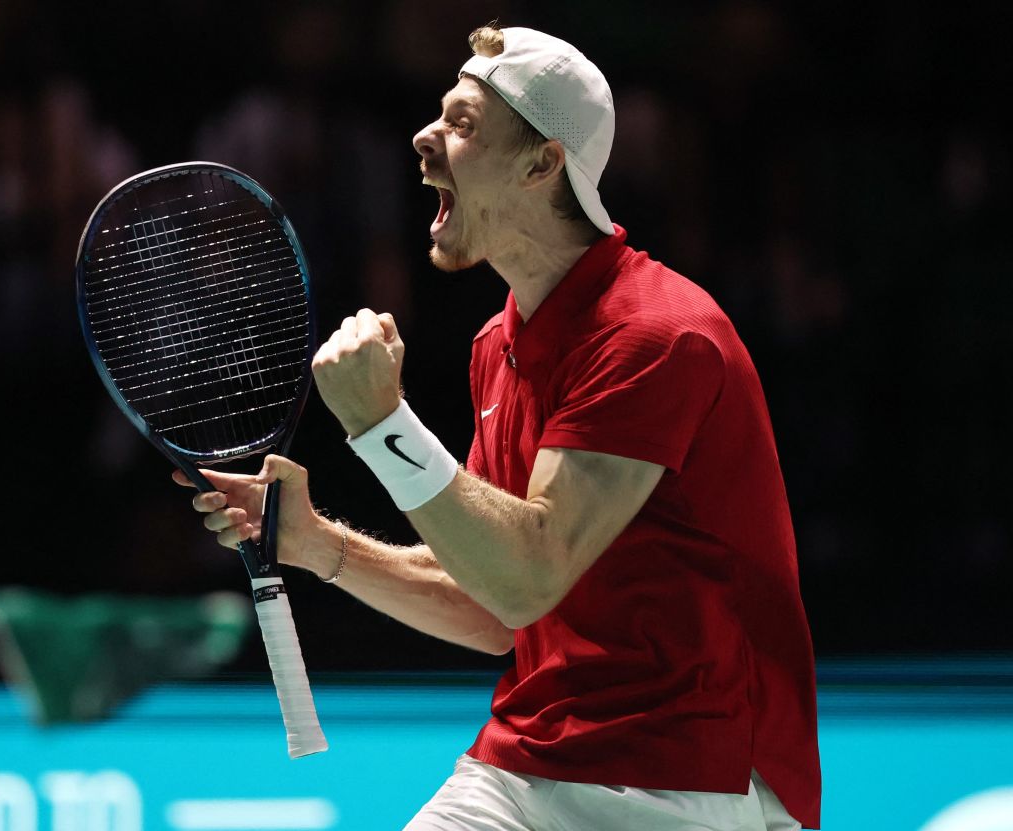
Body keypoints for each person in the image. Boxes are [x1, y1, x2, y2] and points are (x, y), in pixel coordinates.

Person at [177, 24, 821, 831]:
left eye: (463, 122)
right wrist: (317, 544)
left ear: (542, 162)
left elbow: (527, 573)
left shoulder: (657, 334)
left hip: (690, 774)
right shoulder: (500, 343)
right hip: (531, 760)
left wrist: (382, 426)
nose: (424, 136)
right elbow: (494, 607)